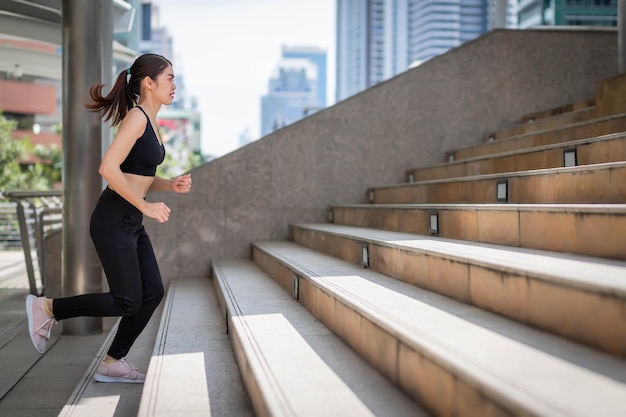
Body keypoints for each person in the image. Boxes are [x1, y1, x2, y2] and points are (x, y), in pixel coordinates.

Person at [25, 53, 192, 383]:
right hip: (114, 217)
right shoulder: (137, 118)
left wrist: (168, 185)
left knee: (152, 291)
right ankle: (47, 309)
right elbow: (108, 169)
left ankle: (113, 361)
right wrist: (146, 206)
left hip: (130, 220)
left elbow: (137, 173)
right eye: (170, 77)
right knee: (127, 299)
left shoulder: (151, 119)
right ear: (149, 82)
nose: (175, 84)